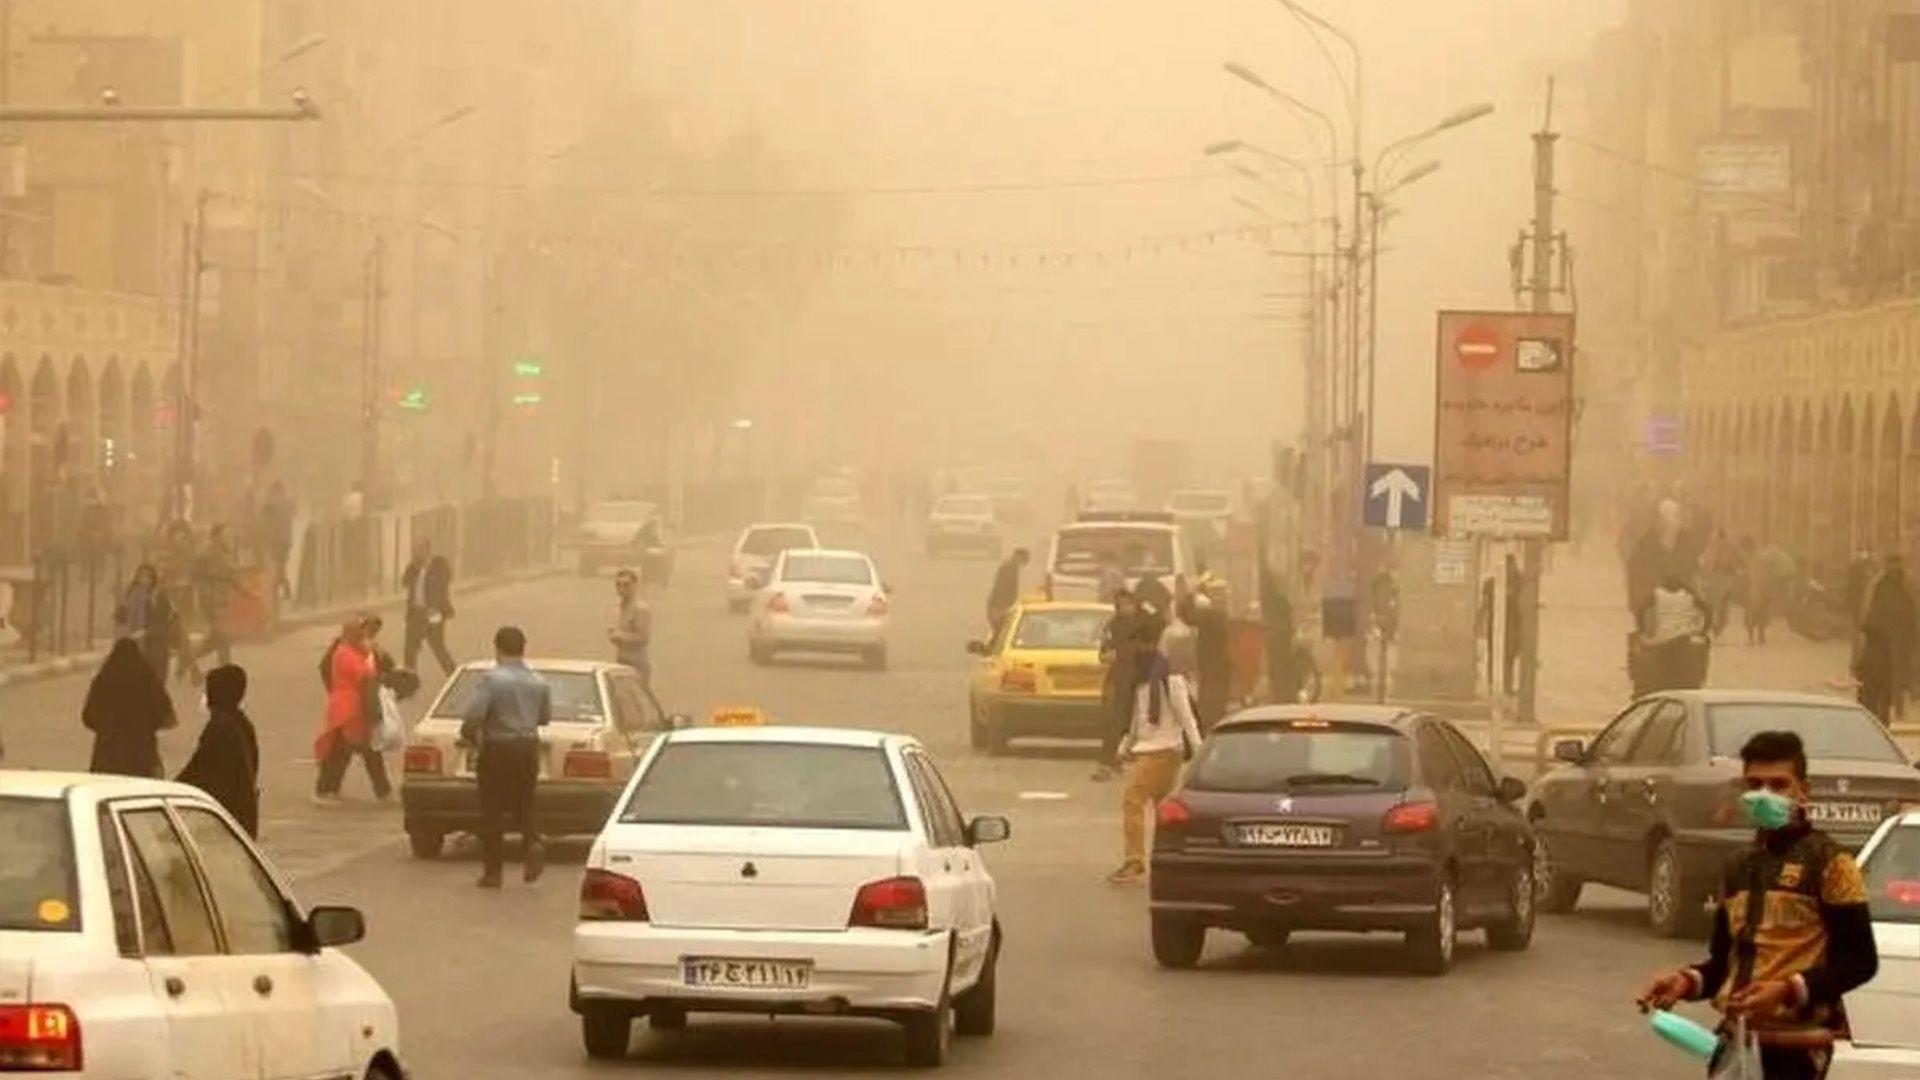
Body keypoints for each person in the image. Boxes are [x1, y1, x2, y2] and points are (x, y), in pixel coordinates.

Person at [1637, 731, 1879, 1080]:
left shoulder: (1831, 863)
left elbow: (1860, 962)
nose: (1765, 795)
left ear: (1803, 791)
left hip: (1797, 1051)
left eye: (1779, 785)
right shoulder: (1738, 866)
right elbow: (1723, 965)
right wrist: (1685, 982)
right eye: (1755, 785)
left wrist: (1787, 989)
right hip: (1734, 1047)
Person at [462, 625, 553, 888]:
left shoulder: (492, 679)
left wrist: (469, 734)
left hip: (497, 749)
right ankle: (532, 843)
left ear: (497, 648)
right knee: (525, 804)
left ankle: (493, 872)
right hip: (527, 748)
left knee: (492, 810)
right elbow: (544, 717)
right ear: (523, 649)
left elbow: (476, 714)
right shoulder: (539, 681)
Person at [1106, 640, 1203, 885]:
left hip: (1165, 751)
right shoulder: (1141, 689)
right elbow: (1137, 725)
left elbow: (1187, 719)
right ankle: (1174, 858)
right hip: (1148, 751)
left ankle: (1134, 860)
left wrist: (1201, 754)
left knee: (1133, 800)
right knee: (1164, 808)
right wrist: (1124, 749)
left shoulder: (1173, 684)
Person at [176, 664, 261, 837]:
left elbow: (197, 769)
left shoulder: (220, 727)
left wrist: (171, 790)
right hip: (241, 815)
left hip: (223, 818)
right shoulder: (240, 722)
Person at [313, 617, 391, 802]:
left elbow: (384, 665)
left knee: (348, 750)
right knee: (349, 750)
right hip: (347, 708)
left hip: (354, 707)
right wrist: (371, 659)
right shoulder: (344, 652)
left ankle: (328, 788)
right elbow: (364, 674)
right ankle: (327, 789)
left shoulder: (357, 650)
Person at [82, 638, 175, 778]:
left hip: (107, 757)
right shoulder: (147, 678)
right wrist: (146, 726)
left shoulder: (104, 680)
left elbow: (88, 716)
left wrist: (106, 727)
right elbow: (165, 714)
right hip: (142, 755)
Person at [1093, 589, 1147, 782]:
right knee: (1115, 722)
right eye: (1123, 604)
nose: (1127, 608)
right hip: (1119, 679)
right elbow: (1103, 653)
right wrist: (1110, 655)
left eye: (1130, 603)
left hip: (1141, 679)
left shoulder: (1142, 625)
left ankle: (1127, 759)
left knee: (1139, 722)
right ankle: (1106, 763)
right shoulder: (1112, 626)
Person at [1854, 557, 1916, 726]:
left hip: (1893, 643)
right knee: (1892, 680)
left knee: (1894, 679)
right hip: (1888, 644)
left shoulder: (1897, 586)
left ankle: (1895, 709)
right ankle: (1894, 710)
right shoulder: (1889, 586)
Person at [1635, 574, 1713, 695]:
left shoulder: (1656, 594)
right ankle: (1701, 675)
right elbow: (1707, 612)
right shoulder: (1690, 595)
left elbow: (1641, 611)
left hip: (1662, 638)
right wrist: (1703, 631)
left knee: (1641, 653)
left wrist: (1643, 631)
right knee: (1705, 646)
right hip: (1687, 637)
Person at [609, 568, 665, 719]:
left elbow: (642, 637)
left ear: (635, 586)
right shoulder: (621, 607)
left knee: (640, 705)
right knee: (622, 705)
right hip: (622, 662)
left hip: (636, 664)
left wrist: (619, 636)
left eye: (626, 585)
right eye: (618, 585)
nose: (621, 589)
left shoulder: (640, 609)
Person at [401, 535, 457, 677]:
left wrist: (435, 607)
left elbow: (442, 585)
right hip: (416, 613)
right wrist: (414, 567)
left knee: (437, 646)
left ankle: (453, 675)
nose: (416, 552)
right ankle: (409, 679)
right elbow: (404, 582)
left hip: (434, 613)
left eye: (419, 549)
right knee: (410, 648)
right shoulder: (414, 567)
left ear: (427, 549)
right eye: (414, 549)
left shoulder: (439, 565)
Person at [190, 523, 238, 671]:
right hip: (211, 600)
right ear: (216, 537)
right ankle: (225, 667)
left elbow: (231, 578)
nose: (228, 539)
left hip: (220, 599)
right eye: (225, 536)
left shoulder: (223, 554)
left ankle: (189, 658)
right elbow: (196, 577)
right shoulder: (207, 554)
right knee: (222, 637)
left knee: (217, 638)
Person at [117, 563, 175, 680]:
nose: (145, 580)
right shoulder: (131, 596)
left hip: (155, 647)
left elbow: (163, 624)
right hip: (134, 645)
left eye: (148, 577)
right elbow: (121, 619)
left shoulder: (159, 598)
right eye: (142, 577)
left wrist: (145, 632)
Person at [1189, 575, 1231, 730]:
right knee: (1213, 700)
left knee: (1211, 699)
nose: (1222, 597)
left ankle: (1208, 724)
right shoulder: (1214, 615)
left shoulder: (1210, 615)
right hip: (1214, 665)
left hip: (1210, 665)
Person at [1747, 541, 1795, 645]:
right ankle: (1760, 636)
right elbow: (1775, 574)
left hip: (1756, 590)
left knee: (1753, 614)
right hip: (1764, 590)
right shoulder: (1769, 560)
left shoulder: (1754, 560)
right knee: (1762, 613)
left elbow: (1749, 575)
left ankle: (1753, 637)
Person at [261, 481, 296, 600]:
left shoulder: (273, 502)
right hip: (286, 539)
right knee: (281, 565)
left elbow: (265, 511)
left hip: (276, 539)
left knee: (278, 565)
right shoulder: (287, 501)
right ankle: (282, 589)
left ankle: (279, 589)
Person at [985, 547, 1030, 637]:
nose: (1027, 562)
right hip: (1000, 607)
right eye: (1026, 559)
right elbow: (1003, 591)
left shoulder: (1010, 567)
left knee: (1000, 634)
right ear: (1019, 558)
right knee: (1001, 634)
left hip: (998, 607)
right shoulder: (1010, 569)